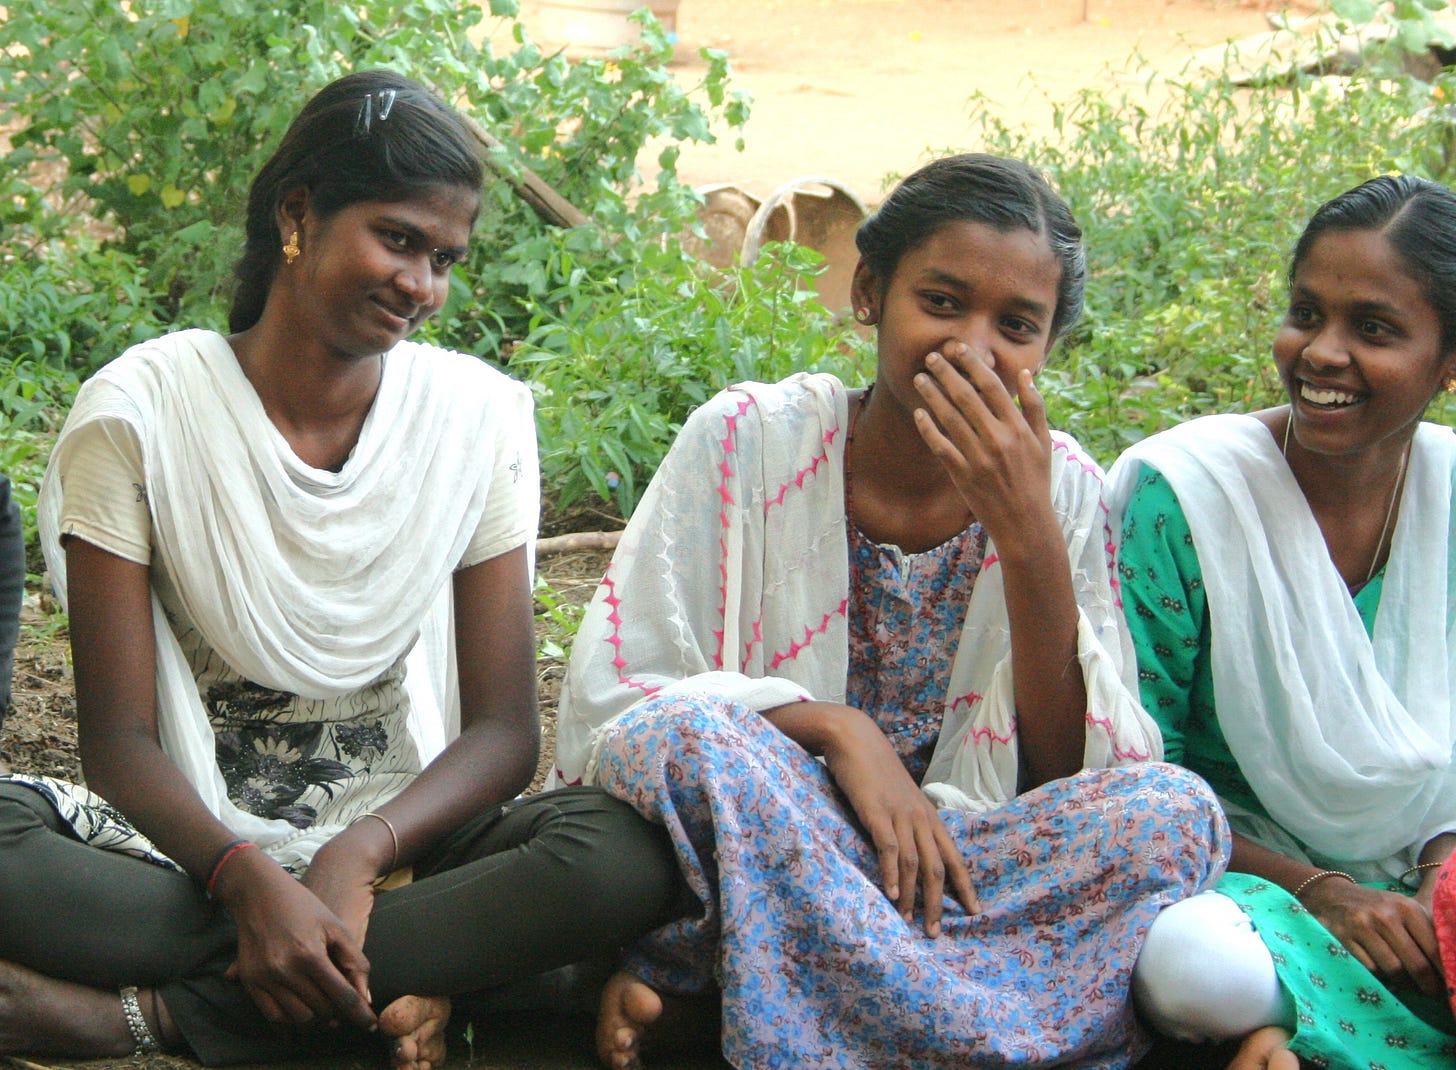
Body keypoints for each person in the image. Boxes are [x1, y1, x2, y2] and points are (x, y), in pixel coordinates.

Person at [0, 69, 682, 1067]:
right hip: (188, 857)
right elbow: (118, 742)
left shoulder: (473, 420)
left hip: (404, 848)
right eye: (397, 238)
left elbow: (503, 733)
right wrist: (248, 880)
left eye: (443, 259)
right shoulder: (141, 415)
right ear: (297, 214)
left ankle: (143, 1018)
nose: (421, 285)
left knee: (621, 856)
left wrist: (357, 856)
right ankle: (412, 980)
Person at [554, 153, 1230, 1070]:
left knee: (1175, 813)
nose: (973, 348)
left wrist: (1027, 535)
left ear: (1049, 346)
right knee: (692, 737)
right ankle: (968, 1024)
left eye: (1017, 326)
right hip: (779, 828)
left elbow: (1067, 773)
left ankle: (758, 997)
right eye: (941, 303)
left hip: (964, 865)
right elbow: (625, 704)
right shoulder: (748, 439)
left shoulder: (1063, 487)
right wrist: (838, 732)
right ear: (869, 291)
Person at [1110, 175, 1456, 1070]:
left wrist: (1439, 890)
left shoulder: (1451, 494)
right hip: (1236, 875)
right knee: (1196, 967)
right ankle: (1298, 1017)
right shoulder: (1184, 494)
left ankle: (1288, 1031)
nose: (1322, 353)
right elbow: (1140, 772)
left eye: (1373, 329)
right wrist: (1323, 891)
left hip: (1427, 868)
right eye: (1307, 314)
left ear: (1448, 361)